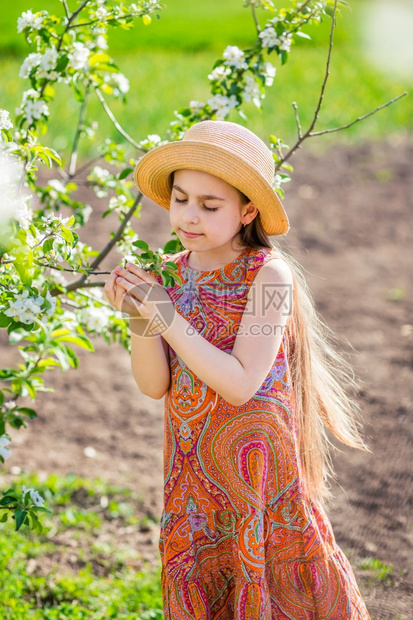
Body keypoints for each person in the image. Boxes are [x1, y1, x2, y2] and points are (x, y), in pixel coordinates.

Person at [104, 120, 371, 619]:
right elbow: (153, 384)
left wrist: (167, 317)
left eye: (210, 206)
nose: (188, 216)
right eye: (180, 199)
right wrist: (139, 319)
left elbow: (242, 383)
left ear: (248, 209)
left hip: (256, 481)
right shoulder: (170, 273)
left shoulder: (270, 276)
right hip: (193, 480)